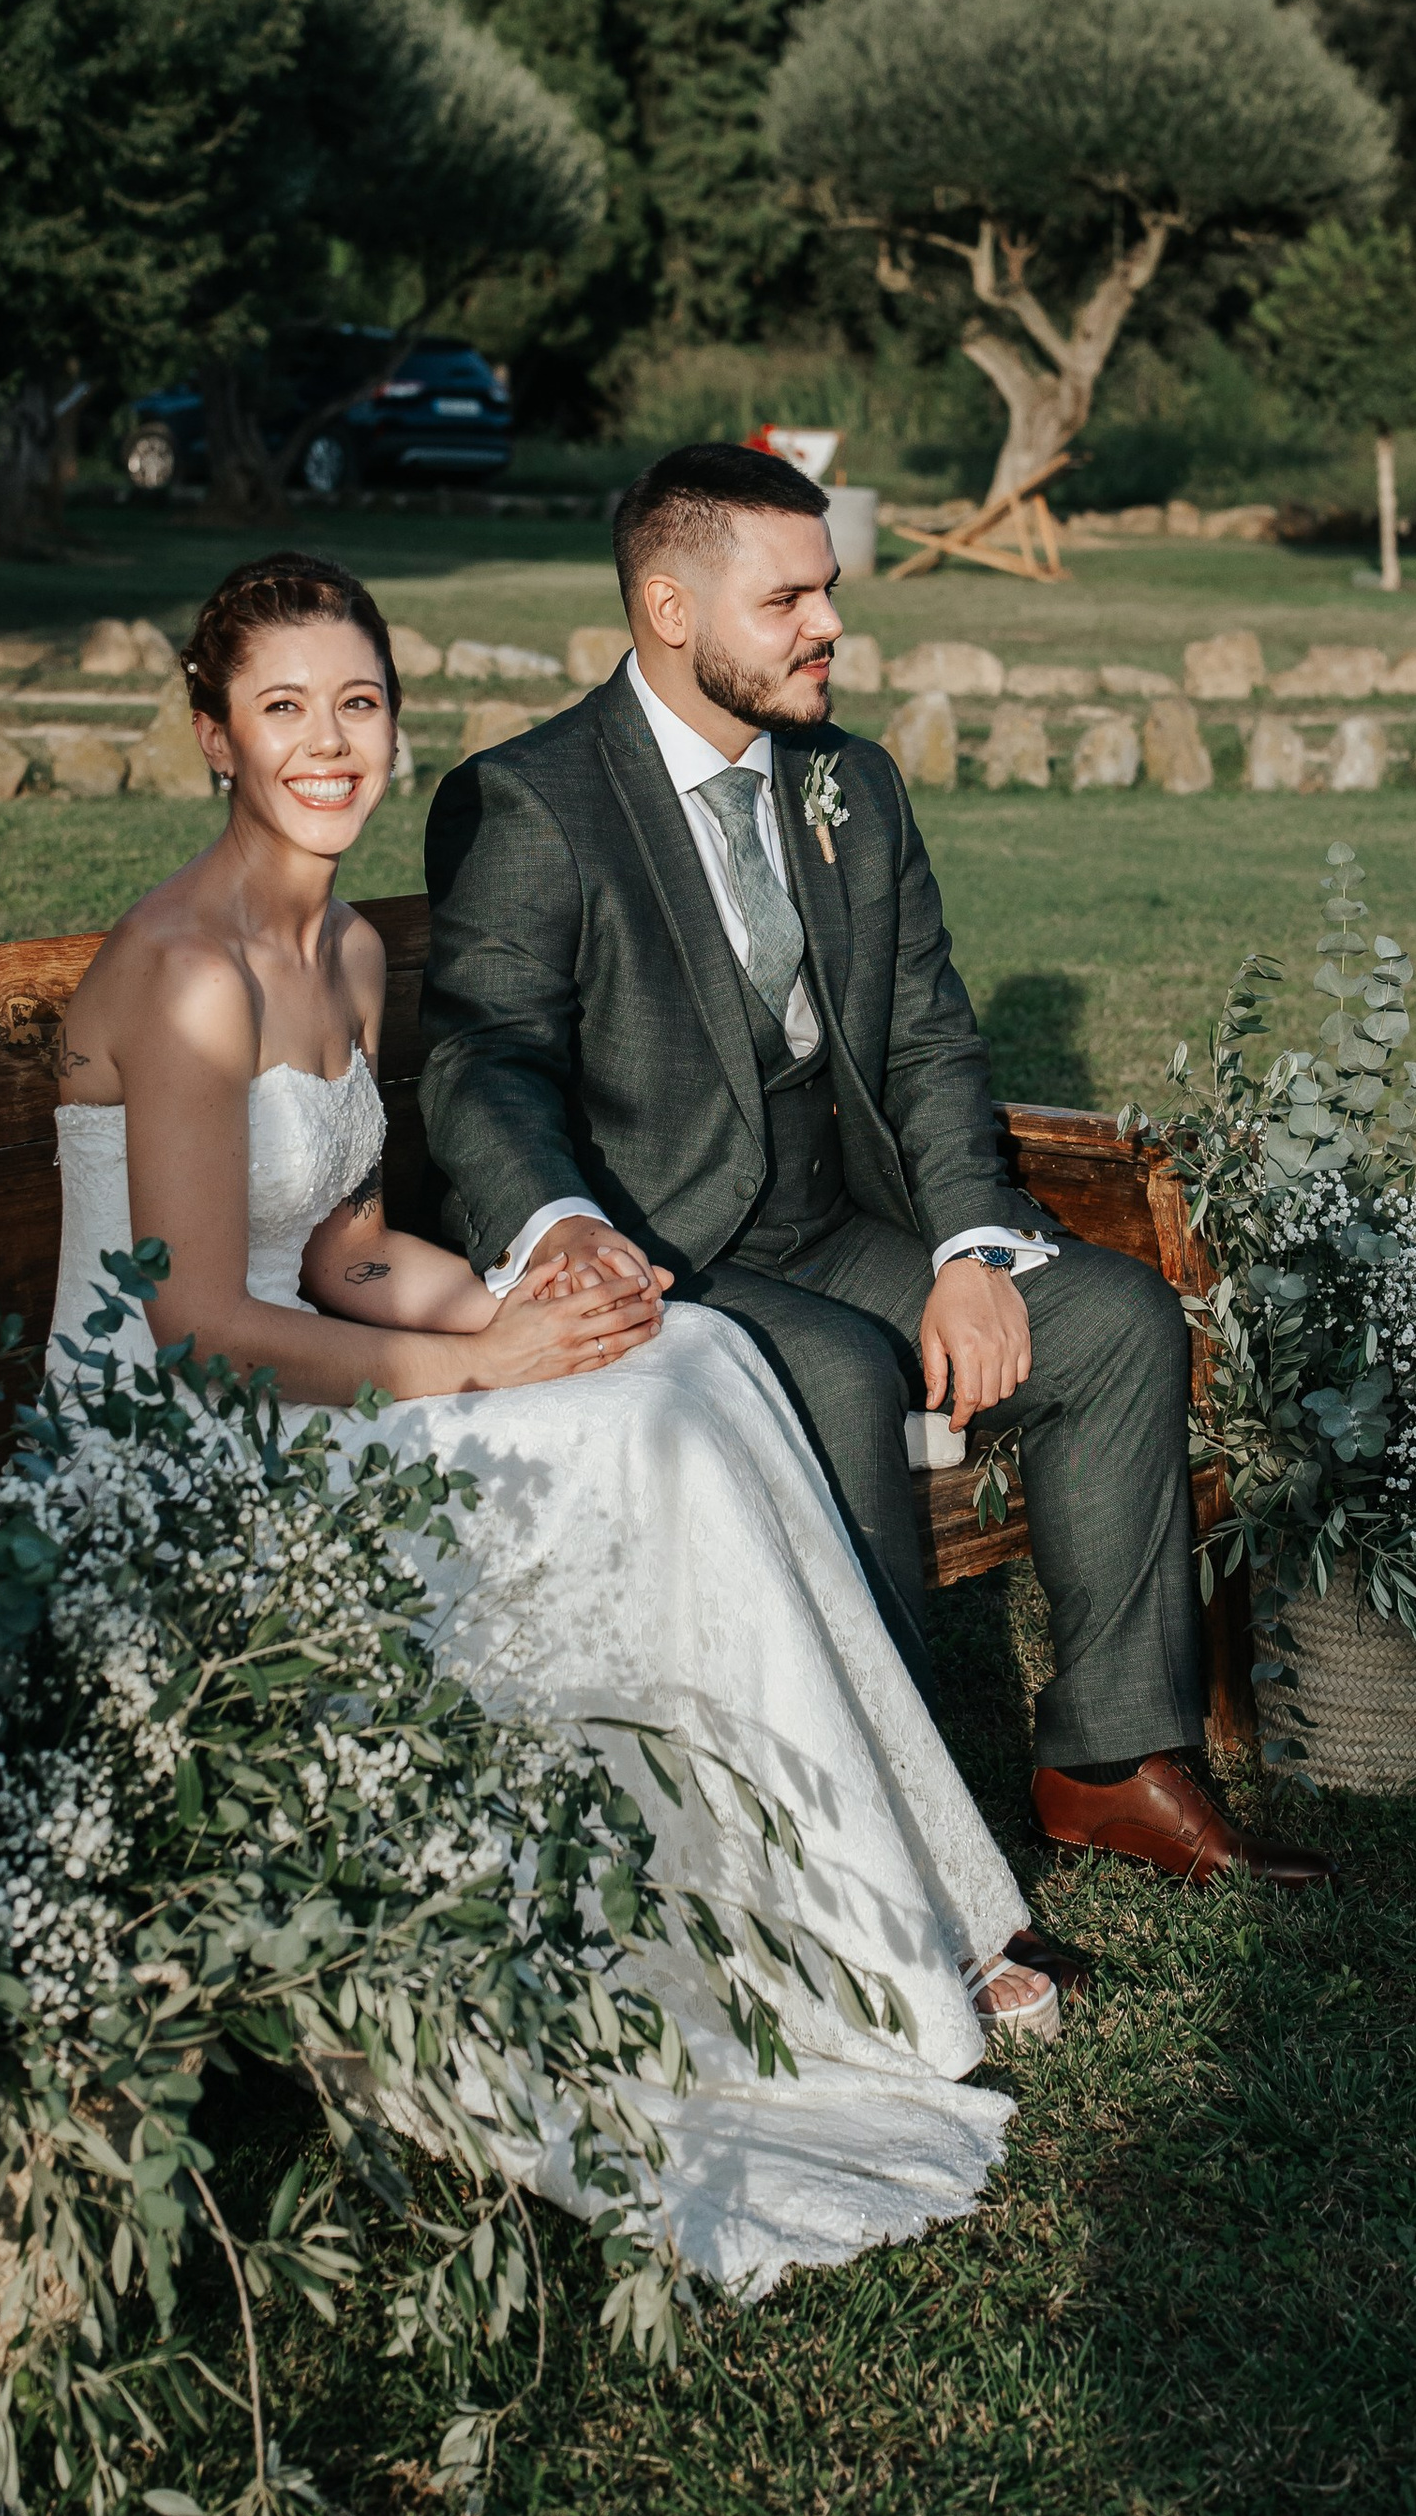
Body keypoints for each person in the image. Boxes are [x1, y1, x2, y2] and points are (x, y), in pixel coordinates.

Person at [45, 547, 1065, 2302]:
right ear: (212, 735)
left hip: (316, 1357)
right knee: (631, 1441)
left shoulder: (347, 949)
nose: (328, 743)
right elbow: (199, 1320)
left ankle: (867, 1924)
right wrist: (486, 1370)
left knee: (689, 1367)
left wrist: (548, 1308)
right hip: (179, 1438)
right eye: (282, 709)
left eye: (356, 704)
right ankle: (771, 1952)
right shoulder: (191, 969)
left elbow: (353, 1251)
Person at [420, 440, 1330, 1894]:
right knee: (840, 1373)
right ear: (668, 609)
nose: (831, 627)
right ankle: (899, 1842)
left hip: (832, 1220)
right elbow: (485, 1057)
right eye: (788, 601)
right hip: (661, 1254)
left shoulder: (854, 783)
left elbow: (928, 1041)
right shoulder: (530, 800)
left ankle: (1111, 1761)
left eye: (828, 592)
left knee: (1114, 1323)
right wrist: (562, 1226)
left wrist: (973, 1249)